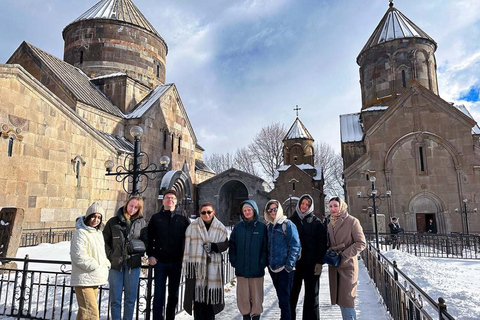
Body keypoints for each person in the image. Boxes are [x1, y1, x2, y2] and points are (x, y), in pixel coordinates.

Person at [147, 189, 190, 320]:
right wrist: (151, 255)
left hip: (177, 262)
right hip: (160, 262)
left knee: (174, 295)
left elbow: (190, 237)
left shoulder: (182, 218)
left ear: (176, 201)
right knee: (159, 295)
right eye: (167, 198)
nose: (170, 200)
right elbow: (149, 238)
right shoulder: (156, 218)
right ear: (163, 200)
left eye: (172, 198)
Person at [103, 196, 147, 320]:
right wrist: (111, 255)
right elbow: (104, 240)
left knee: (130, 299)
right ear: (126, 204)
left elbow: (146, 241)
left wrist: (138, 248)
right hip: (116, 265)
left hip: (133, 265)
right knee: (115, 300)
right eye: (131, 205)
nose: (132, 209)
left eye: (136, 207)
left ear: (139, 209)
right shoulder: (113, 222)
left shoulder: (142, 223)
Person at [183, 202, 229, 320]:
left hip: (213, 269)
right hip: (197, 269)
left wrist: (213, 247)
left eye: (209, 212)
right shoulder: (192, 227)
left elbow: (225, 244)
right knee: (198, 300)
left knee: (210, 302)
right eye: (203, 212)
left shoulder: (221, 228)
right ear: (200, 213)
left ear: (213, 212)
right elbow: (186, 245)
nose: (206, 214)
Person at [289, 194, 328, 320]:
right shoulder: (291, 221)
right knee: (292, 295)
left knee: (312, 297)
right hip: (295, 264)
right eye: (302, 203)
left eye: (307, 204)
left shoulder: (317, 223)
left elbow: (322, 244)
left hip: (311, 265)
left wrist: (319, 262)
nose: (304, 206)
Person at [327, 197, 366, 320]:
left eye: (336, 206)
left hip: (347, 265)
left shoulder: (352, 221)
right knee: (340, 300)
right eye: (331, 206)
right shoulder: (329, 224)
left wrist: (344, 254)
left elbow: (361, 243)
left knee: (347, 301)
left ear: (342, 206)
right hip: (334, 265)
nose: (333, 209)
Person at [70, 202, 110, 320]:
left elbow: (101, 254)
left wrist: (105, 264)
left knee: (84, 314)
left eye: (99, 217)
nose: (95, 220)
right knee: (92, 314)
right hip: (84, 279)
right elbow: (78, 256)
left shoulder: (98, 233)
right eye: (93, 216)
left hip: (94, 278)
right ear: (88, 216)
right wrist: (95, 266)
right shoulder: (80, 233)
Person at [229, 200, 268, 320]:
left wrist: (262, 263)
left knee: (256, 299)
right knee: (243, 299)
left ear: (254, 210)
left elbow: (265, 247)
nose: (247, 212)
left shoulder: (262, 227)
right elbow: (232, 245)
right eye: (245, 210)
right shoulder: (238, 227)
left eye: (249, 210)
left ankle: (256, 316)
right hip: (241, 270)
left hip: (256, 270)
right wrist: (234, 261)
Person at [264, 200, 301, 320]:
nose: (272, 212)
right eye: (270, 210)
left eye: (275, 209)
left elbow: (295, 245)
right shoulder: (269, 226)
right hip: (273, 268)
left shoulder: (287, 224)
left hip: (285, 269)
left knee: (285, 301)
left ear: (279, 209)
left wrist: (289, 266)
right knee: (281, 300)